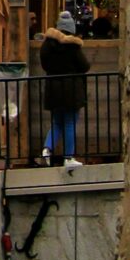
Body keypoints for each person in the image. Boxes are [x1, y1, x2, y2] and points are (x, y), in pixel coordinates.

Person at [38, 19, 90, 166]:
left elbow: (44, 64)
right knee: (69, 122)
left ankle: (47, 149)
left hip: (53, 89)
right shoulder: (72, 46)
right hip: (71, 89)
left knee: (56, 122)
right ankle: (68, 157)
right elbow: (85, 66)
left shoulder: (47, 45)